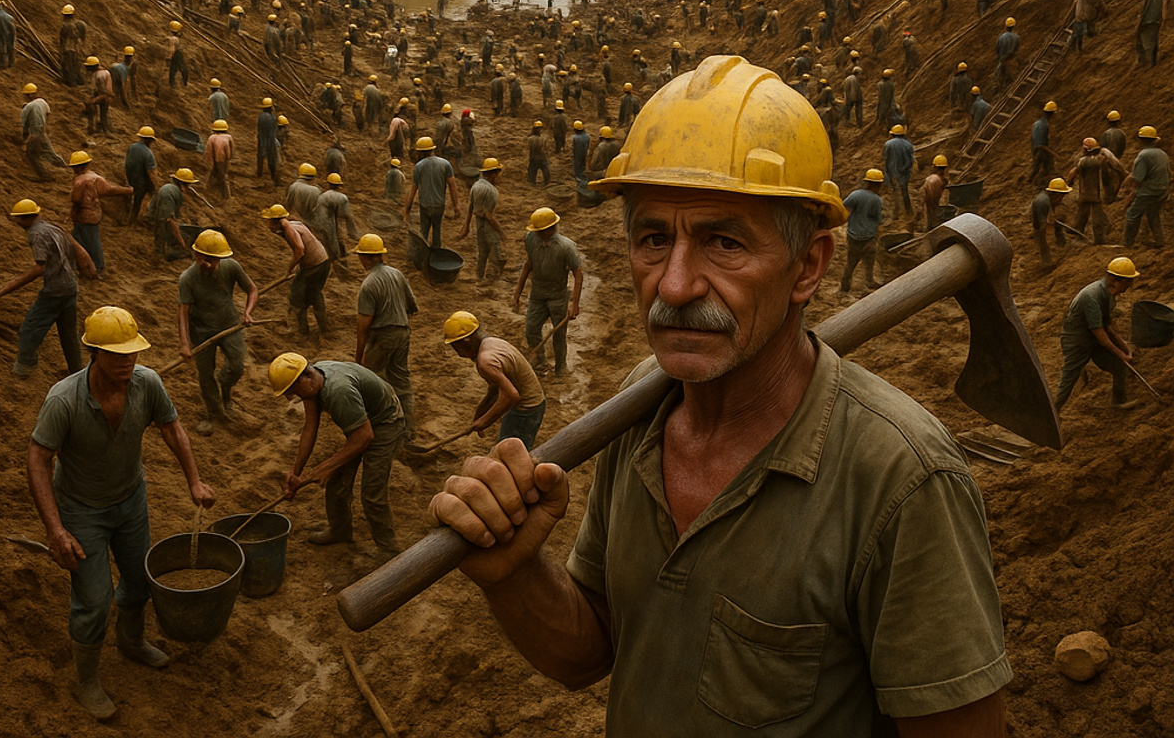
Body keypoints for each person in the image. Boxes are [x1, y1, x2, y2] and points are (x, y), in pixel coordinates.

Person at [429, 55, 1011, 735]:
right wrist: (516, 574)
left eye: (724, 242)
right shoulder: (637, 409)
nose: (674, 286)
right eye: (653, 238)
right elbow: (592, 651)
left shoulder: (902, 481)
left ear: (809, 266)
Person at [26, 306, 216, 720]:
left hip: (131, 501)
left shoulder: (147, 384)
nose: (128, 360)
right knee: (94, 600)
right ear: (94, 353)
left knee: (139, 580)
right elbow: (39, 457)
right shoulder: (64, 400)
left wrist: (194, 481)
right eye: (117, 354)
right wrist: (56, 530)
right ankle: (86, 679)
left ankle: (131, 642)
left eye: (133, 352)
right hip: (80, 511)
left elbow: (171, 428)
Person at [269, 352, 402, 560]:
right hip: (361, 421)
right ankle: (340, 531)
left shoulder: (339, 391)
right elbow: (310, 427)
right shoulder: (313, 382)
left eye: (293, 391)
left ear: (305, 376)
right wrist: (295, 473)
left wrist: (327, 466)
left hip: (386, 422)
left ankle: (388, 550)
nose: (292, 397)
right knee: (337, 481)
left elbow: (365, 436)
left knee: (371, 492)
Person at [0, 199, 96, 378]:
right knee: (69, 335)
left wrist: (15, 282)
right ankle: (77, 371)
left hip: (55, 290)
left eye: (18, 219)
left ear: (26, 218)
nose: (16, 222)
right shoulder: (51, 228)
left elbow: (39, 267)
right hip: (70, 286)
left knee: (30, 327)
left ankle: (24, 367)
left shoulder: (36, 234)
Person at [177, 230, 257, 434]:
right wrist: (185, 344)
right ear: (196, 256)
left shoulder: (231, 267)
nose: (210, 265)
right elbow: (183, 312)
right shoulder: (187, 279)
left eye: (214, 260)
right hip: (201, 331)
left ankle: (226, 390)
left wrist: (247, 313)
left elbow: (252, 289)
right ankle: (214, 413)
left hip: (229, 324)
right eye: (205, 260)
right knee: (205, 374)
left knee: (237, 365)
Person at [443, 311, 547, 448]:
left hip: (526, 409)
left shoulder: (485, 361)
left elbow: (511, 396)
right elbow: (496, 389)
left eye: (454, 346)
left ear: (465, 343)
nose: (456, 351)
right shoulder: (491, 342)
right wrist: (479, 415)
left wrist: (484, 422)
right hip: (531, 403)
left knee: (511, 453)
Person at [353, 233, 418, 440]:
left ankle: (377, 426)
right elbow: (413, 306)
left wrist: (359, 356)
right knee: (401, 379)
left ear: (366, 257)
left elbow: (363, 326)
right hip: (403, 332)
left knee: (370, 379)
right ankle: (409, 430)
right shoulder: (397, 274)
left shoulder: (368, 285)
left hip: (384, 336)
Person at [1052, 258, 1140, 410]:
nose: (1130, 285)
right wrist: (1120, 353)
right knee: (1069, 379)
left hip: (1094, 338)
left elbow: (1109, 326)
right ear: (1115, 280)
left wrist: (1124, 347)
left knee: (1119, 366)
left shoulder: (1108, 295)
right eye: (1128, 282)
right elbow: (1099, 332)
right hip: (1077, 341)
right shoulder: (1091, 296)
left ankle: (1118, 402)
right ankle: (1052, 413)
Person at [512, 207, 583, 377]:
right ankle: (540, 362)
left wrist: (574, 304)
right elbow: (529, 265)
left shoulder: (566, 247)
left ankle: (560, 368)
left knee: (559, 335)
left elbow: (578, 274)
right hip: (537, 295)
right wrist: (517, 294)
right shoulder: (530, 239)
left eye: (540, 231)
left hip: (558, 297)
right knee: (531, 329)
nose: (536, 234)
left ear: (550, 229)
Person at [262, 204, 331, 334]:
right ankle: (324, 328)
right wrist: (298, 266)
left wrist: (289, 269)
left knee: (296, 297)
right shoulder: (292, 224)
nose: (268, 225)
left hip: (314, 266)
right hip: (322, 261)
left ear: (276, 221)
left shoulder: (289, 229)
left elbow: (300, 250)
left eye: (269, 221)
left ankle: (302, 331)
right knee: (314, 293)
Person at [68, 151, 132, 274]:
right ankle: (87, 266)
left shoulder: (79, 181)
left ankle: (98, 267)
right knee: (86, 239)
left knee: (89, 241)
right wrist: (128, 191)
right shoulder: (95, 177)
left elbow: (76, 200)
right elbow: (109, 190)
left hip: (84, 216)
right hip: (92, 214)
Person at [1066, 138, 1124, 245]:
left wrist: (1069, 182)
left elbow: (1073, 172)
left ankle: (1078, 235)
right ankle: (1099, 239)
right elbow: (1117, 165)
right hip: (1100, 192)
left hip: (1085, 192)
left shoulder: (1083, 160)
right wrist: (1124, 175)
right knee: (1096, 217)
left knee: (1082, 214)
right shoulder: (1105, 154)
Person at [404, 136, 459, 248]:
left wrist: (408, 207)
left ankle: (421, 256)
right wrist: (456, 206)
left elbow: (414, 189)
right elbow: (452, 186)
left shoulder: (418, 167)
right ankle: (436, 256)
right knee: (436, 231)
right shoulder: (445, 164)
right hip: (439, 205)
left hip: (425, 205)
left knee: (423, 231)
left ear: (421, 153)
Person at [1121, 125, 1169, 248]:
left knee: (1132, 215)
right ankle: (1160, 241)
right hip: (1163, 190)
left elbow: (1138, 178)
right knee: (1153, 214)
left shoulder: (1143, 155)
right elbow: (1167, 173)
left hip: (1148, 191)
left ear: (1141, 140)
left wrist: (1131, 193)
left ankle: (1128, 244)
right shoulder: (1163, 154)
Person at [460, 157, 508, 280]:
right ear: (493, 174)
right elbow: (489, 216)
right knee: (498, 256)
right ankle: (490, 280)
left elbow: (470, 207)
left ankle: (479, 276)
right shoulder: (491, 191)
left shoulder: (475, 186)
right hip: (488, 228)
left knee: (482, 254)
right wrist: (501, 232)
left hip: (479, 226)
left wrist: (466, 226)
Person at [841, 169, 883, 292]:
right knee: (869, 262)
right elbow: (878, 221)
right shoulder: (877, 200)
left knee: (851, 263)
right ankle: (869, 281)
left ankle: (845, 285)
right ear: (878, 185)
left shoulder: (856, 195)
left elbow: (843, 207)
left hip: (853, 236)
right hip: (869, 237)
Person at [149, 168, 197, 262]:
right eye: (188, 185)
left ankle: (161, 254)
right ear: (182, 185)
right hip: (158, 218)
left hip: (159, 215)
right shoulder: (169, 193)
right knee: (163, 235)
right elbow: (171, 220)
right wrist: (183, 245)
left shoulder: (172, 189)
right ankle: (159, 258)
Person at [1031, 177, 1071, 268]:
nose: (1061, 199)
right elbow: (1042, 225)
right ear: (1056, 195)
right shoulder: (1043, 202)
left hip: (1040, 218)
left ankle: (1061, 245)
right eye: (1061, 196)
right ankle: (1047, 262)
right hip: (1040, 223)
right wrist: (1043, 235)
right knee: (1042, 242)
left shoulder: (1047, 198)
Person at [1136, 0, 1170, 66]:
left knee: (1145, 41)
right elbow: (1165, 5)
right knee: (1154, 40)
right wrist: (1164, 19)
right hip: (1157, 20)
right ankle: (1152, 61)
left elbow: (1142, 7)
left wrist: (1139, 22)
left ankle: (1146, 63)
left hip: (1147, 20)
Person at [125, 124, 158, 222]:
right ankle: (136, 218)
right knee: (141, 199)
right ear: (149, 140)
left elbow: (127, 163)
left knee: (134, 198)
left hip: (131, 177)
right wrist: (155, 185)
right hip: (141, 181)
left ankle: (131, 215)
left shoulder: (132, 147)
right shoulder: (148, 153)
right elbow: (151, 172)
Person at [882, 125, 914, 219]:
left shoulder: (888, 144)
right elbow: (911, 160)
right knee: (905, 191)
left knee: (894, 192)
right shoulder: (908, 144)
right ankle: (907, 210)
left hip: (892, 171)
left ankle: (896, 213)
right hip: (904, 172)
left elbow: (886, 159)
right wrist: (906, 168)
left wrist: (887, 173)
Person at [203, 119, 233, 199]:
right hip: (224, 160)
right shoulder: (228, 137)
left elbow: (208, 151)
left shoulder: (212, 137)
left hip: (215, 160)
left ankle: (223, 194)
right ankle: (225, 195)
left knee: (218, 174)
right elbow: (231, 149)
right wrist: (229, 158)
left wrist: (207, 159)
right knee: (222, 175)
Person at [1030, 101, 1058, 185]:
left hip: (1037, 148)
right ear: (1051, 113)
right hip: (1040, 150)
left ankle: (1032, 180)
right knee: (1043, 167)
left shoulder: (1039, 123)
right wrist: (1052, 153)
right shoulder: (1043, 125)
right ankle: (1033, 181)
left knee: (1038, 167)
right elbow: (1040, 144)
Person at [921, 155, 949, 230]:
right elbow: (936, 196)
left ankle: (929, 229)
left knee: (929, 217)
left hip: (928, 201)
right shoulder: (938, 180)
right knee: (935, 218)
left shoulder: (930, 178)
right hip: (934, 202)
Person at [257, 97, 280, 185]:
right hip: (270, 140)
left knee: (260, 157)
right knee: (272, 160)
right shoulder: (272, 118)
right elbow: (273, 131)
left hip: (261, 138)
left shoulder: (261, 116)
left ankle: (259, 173)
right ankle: (274, 178)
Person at [526, 119, 551, 186]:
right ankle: (547, 182)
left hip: (535, 157)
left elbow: (529, 150)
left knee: (532, 171)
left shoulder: (530, 139)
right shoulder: (544, 138)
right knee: (545, 170)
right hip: (543, 157)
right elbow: (547, 148)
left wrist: (529, 159)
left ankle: (532, 183)